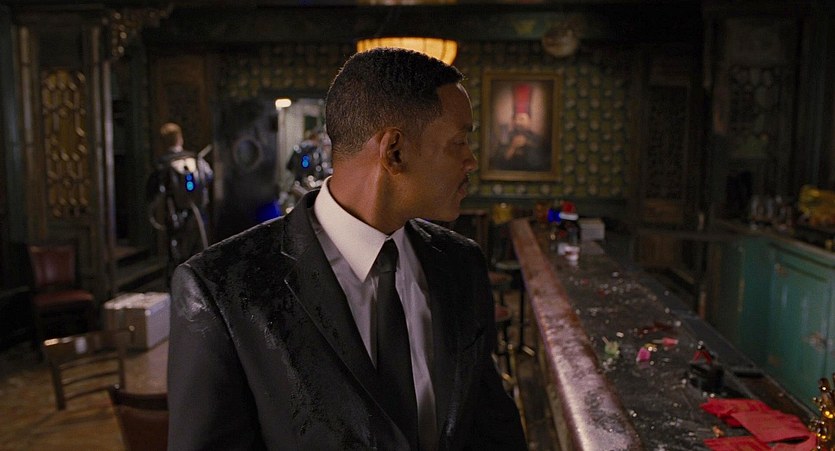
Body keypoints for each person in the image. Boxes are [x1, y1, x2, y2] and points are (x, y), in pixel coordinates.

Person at [168, 48, 527, 450]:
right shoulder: (222, 288)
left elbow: (493, 430)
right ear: (394, 151)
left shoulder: (461, 263)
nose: (471, 161)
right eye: (459, 142)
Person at [146, 122, 213, 279]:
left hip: (176, 214)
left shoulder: (163, 164)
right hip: (199, 212)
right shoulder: (196, 159)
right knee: (198, 250)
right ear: (180, 139)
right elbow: (209, 176)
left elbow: (154, 189)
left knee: (177, 253)